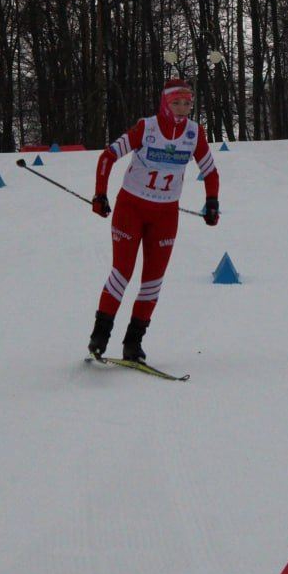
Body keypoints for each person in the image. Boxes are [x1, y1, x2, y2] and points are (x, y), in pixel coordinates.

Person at [87, 78, 220, 362]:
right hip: (131, 209)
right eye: (176, 102)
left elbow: (210, 171)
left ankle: (133, 343)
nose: (182, 108)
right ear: (165, 103)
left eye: (187, 103)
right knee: (122, 273)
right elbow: (107, 157)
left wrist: (212, 202)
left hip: (165, 214)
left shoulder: (194, 133)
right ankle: (100, 336)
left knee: (152, 281)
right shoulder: (146, 128)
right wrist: (100, 195)